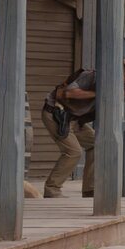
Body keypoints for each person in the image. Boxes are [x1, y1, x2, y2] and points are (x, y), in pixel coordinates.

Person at [40, 65, 97, 198]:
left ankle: (90, 190)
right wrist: (97, 93)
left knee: (96, 143)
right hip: (56, 114)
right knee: (73, 152)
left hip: (73, 119)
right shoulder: (90, 76)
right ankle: (52, 189)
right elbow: (69, 93)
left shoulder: (116, 87)